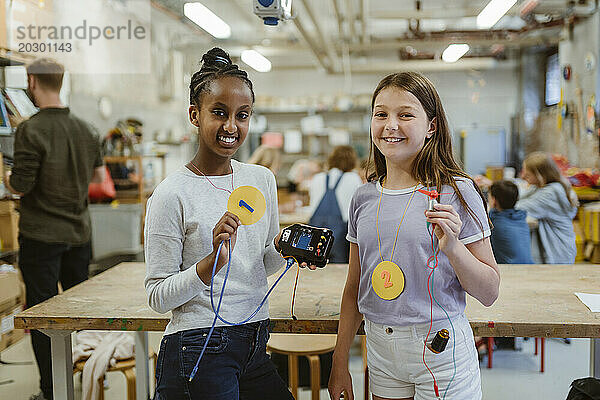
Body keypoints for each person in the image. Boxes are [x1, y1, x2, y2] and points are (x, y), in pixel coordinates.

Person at [144, 48, 307, 400]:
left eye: (242, 115)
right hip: (200, 344)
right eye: (219, 113)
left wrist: (284, 248)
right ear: (195, 114)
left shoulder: (261, 179)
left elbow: (258, 266)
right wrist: (209, 265)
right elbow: (157, 296)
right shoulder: (170, 194)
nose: (231, 126)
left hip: (254, 341)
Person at [328, 72, 500, 400]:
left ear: (431, 126)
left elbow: (489, 291)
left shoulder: (457, 192)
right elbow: (354, 288)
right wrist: (339, 361)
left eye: (405, 114)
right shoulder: (363, 197)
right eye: (381, 114)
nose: (391, 125)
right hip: (380, 347)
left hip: (441, 349)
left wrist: (453, 247)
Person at [3, 58, 104, 400]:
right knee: (75, 314)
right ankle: (80, 376)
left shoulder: (30, 129)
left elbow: (21, 185)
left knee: (42, 317)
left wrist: (6, 177)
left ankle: (52, 391)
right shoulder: (88, 129)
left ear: (32, 82)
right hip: (79, 236)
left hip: (41, 238)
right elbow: (98, 181)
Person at [517, 151, 578, 264]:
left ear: (540, 175)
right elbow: (521, 193)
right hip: (557, 251)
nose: (523, 176)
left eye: (528, 173)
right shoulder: (542, 186)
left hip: (558, 252)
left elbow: (520, 208)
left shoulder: (552, 193)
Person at [308, 145, 363, 263]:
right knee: (340, 269)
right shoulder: (353, 178)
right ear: (352, 161)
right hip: (342, 234)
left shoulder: (318, 178)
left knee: (316, 266)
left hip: (317, 232)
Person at [488, 180, 534, 264]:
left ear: (494, 200)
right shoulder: (520, 217)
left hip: (510, 271)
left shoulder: (494, 221)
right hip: (529, 266)